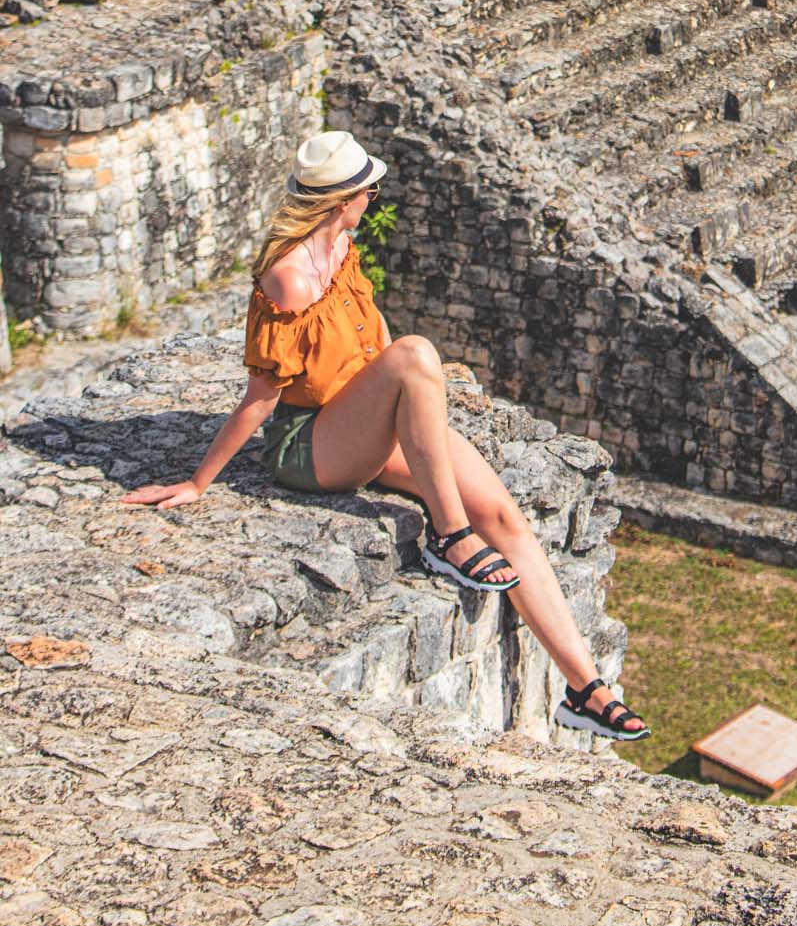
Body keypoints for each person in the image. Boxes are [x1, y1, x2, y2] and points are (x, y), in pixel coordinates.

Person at [124, 129, 649, 743]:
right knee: (415, 353)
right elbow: (261, 398)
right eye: (369, 189)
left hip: (367, 422)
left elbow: (371, 335)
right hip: (312, 445)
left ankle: (585, 689)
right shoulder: (287, 278)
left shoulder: (342, 246)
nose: (374, 197)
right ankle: (448, 538)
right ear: (344, 198)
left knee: (505, 516)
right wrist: (197, 481)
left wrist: (408, 390)